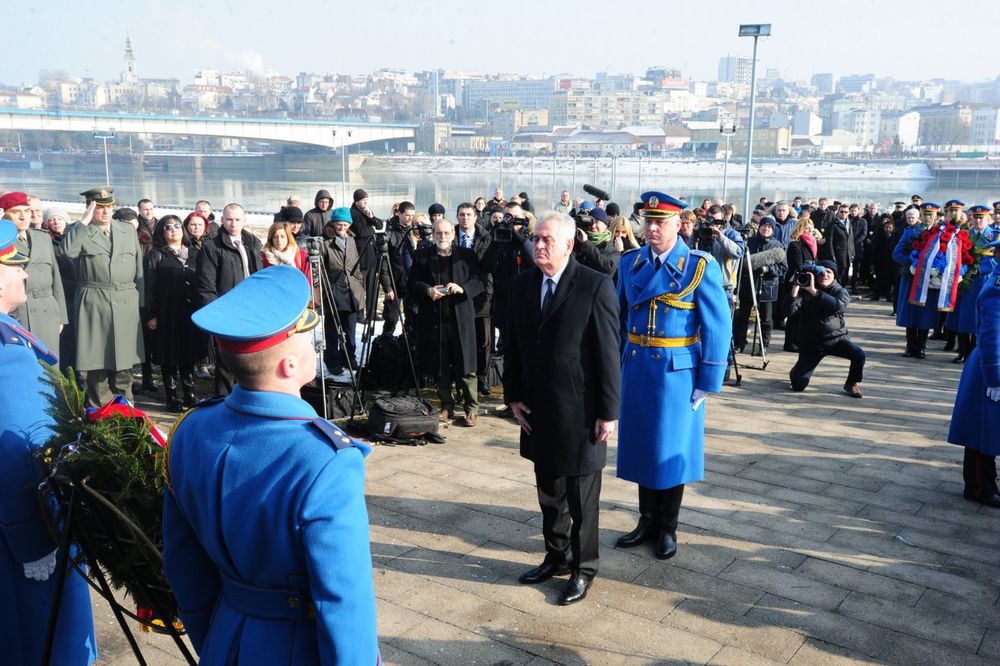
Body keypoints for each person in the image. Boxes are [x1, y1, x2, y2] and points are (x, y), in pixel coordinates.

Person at [163, 265, 379, 663]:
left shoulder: (189, 431)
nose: (314, 346)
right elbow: (344, 603)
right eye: (307, 338)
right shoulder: (326, 460)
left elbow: (184, 569)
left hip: (224, 635)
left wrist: (214, 641)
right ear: (288, 365)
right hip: (296, 648)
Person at [504, 211, 619, 605]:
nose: (538, 245)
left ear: (569, 244)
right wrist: (513, 395)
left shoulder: (595, 285)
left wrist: (609, 412)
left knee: (582, 499)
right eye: (536, 238)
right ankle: (556, 555)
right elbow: (515, 346)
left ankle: (583, 568)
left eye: (547, 240)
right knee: (549, 493)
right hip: (537, 410)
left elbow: (608, 353)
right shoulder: (521, 285)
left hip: (582, 413)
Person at [0, 219, 98, 666]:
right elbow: (18, 453)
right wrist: (35, 539)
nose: (24, 273)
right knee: (43, 644)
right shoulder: (8, 356)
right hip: (23, 542)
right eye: (14, 265)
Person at [615, 192, 731, 561]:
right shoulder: (630, 263)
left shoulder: (699, 265)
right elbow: (618, 320)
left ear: (679, 224)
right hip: (636, 364)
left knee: (671, 450)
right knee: (641, 447)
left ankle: (668, 526)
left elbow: (717, 326)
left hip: (675, 371)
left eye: (660, 222)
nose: (651, 228)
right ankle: (646, 519)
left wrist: (707, 381)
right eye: (647, 221)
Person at [57, 187, 144, 407]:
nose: (105, 212)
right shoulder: (80, 231)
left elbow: (139, 270)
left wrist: (140, 303)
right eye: (99, 208)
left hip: (125, 301)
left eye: (108, 207)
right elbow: (67, 252)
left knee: (124, 362)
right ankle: (99, 414)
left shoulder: (126, 230)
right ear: (89, 208)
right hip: (94, 301)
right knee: (97, 362)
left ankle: (127, 410)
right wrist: (83, 222)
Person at [409, 219, 483, 426]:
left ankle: (471, 409)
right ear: (433, 234)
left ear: (453, 233)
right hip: (435, 320)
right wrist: (428, 290)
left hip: (461, 318)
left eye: (446, 233)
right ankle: (446, 405)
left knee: (467, 366)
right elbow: (411, 283)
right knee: (440, 365)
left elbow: (479, 282)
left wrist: (462, 288)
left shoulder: (467, 256)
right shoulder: (423, 256)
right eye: (438, 233)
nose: (442, 237)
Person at [947, 240, 1000, 507]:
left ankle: (987, 483)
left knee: (989, 430)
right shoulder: (997, 290)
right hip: (989, 367)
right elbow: (992, 336)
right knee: (982, 431)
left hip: (991, 364)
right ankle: (979, 487)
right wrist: (994, 376)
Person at [195, 203, 263, 395]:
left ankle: (248, 398)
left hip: (252, 310)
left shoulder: (253, 243)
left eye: (237, 219)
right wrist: (217, 315)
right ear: (222, 220)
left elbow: (259, 276)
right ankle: (224, 402)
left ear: (244, 220)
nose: (233, 223)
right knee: (227, 361)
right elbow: (206, 286)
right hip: (228, 311)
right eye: (229, 219)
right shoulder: (211, 247)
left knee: (250, 357)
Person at [145, 216, 206, 411]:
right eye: (168, 227)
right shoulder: (156, 254)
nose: (174, 230)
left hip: (190, 313)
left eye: (177, 226)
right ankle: (171, 398)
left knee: (187, 354)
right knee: (169, 356)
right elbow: (149, 287)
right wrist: (152, 315)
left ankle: (190, 395)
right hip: (166, 312)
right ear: (162, 232)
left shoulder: (196, 253)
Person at [1, 192, 68, 353]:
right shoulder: (3, 243)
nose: (24, 217)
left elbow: (55, 276)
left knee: (50, 367)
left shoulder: (42, 238)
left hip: (47, 311)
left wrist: (60, 316)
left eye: (26, 210)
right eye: (16, 212)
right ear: (4, 214)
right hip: (19, 313)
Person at [787, 260, 866, 397]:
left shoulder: (840, 291)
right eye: (821, 272)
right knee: (798, 385)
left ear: (834, 276)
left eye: (828, 272)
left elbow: (837, 306)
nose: (824, 275)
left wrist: (815, 292)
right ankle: (797, 371)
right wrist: (794, 289)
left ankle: (851, 383)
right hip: (811, 344)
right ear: (815, 275)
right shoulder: (805, 288)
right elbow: (787, 312)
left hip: (835, 340)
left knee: (859, 354)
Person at [319, 208, 366, 376]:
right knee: (332, 329)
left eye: (345, 224)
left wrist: (360, 285)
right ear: (333, 223)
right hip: (333, 290)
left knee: (350, 329)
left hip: (352, 290)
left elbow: (357, 266)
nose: (342, 227)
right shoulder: (325, 242)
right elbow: (320, 268)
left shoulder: (352, 240)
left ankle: (349, 357)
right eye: (339, 224)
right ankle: (332, 360)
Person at [893, 202, 941, 359]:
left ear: (935, 216)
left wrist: (937, 268)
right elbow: (897, 253)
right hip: (912, 278)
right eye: (925, 214)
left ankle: (921, 347)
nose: (928, 217)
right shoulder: (910, 232)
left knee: (925, 313)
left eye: (931, 214)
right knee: (911, 312)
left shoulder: (941, 234)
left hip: (930, 280)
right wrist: (913, 263)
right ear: (920, 215)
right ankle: (910, 346)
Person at [455, 202, 493, 395]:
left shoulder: (486, 237)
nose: (465, 218)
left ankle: (482, 377)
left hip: (482, 292)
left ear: (476, 217)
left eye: (469, 215)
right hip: (457, 292)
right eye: (462, 215)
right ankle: (461, 377)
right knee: (461, 335)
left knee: (483, 338)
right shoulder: (450, 234)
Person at [733, 217, 786, 352]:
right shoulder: (748, 243)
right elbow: (739, 264)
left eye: (769, 227)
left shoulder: (777, 246)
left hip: (767, 287)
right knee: (742, 317)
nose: (766, 229)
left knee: (766, 319)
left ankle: (764, 346)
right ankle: (739, 343)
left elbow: (783, 268)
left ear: (772, 229)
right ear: (759, 227)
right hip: (748, 285)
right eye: (764, 226)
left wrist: (768, 269)